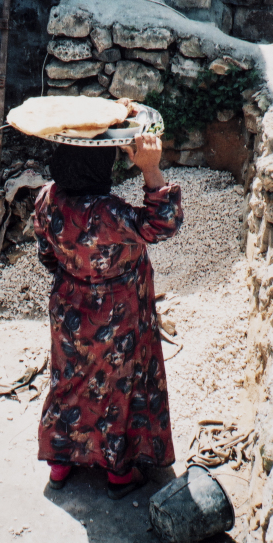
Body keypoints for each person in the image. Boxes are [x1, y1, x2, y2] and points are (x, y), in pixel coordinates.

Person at [33, 132, 183, 499]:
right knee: (118, 384)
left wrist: (79, 276)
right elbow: (164, 223)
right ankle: (118, 473)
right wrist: (150, 167)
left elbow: (47, 256)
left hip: (68, 310)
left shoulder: (46, 199)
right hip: (119, 314)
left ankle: (61, 463)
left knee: (70, 379)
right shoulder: (110, 213)